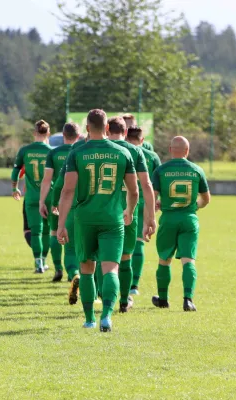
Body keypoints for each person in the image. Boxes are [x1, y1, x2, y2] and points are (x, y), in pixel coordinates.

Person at [57, 109, 139, 332]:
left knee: (87, 269)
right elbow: (134, 191)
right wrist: (129, 211)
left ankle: (89, 319)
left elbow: (67, 191)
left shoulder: (77, 153)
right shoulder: (123, 153)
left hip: (85, 219)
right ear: (106, 128)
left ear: (87, 129)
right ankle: (107, 317)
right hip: (113, 219)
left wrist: (61, 224)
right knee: (111, 269)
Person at [151, 136, 210, 312]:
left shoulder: (161, 170)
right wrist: (193, 207)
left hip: (168, 219)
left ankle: (163, 299)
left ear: (170, 150)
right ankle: (188, 299)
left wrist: (158, 207)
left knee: (164, 260)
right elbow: (206, 199)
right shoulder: (196, 170)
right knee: (188, 260)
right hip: (189, 219)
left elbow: (153, 198)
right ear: (188, 150)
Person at [107, 117, 157, 313]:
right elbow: (146, 185)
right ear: (125, 132)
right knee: (126, 256)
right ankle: (124, 299)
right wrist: (151, 216)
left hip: (104, 209)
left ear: (106, 129)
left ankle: (103, 295)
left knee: (104, 257)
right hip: (129, 208)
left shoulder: (100, 148)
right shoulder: (136, 151)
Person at [39, 122, 80, 281]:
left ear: (63, 135)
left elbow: (47, 180)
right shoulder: (81, 151)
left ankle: (58, 269)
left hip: (57, 199)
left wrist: (43, 201)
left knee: (55, 233)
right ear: (78, 136)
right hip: (78, 200)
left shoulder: (53, 153)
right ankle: (74, 271)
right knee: (77, 238)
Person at [11, 121, 52, 273]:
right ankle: (45, 261)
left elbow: (15, 171)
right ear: (48, 133)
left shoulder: (25, 150)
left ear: (34, 133)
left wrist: (15, 187)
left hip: (32, 197)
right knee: (47, 231)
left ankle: (38, 264)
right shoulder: (51, 151)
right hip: (49, 196)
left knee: (35, 232)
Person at [126, 126, 161, 295]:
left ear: (126, 137)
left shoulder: (121, 152)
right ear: (142, 140)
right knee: (139, 241)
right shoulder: (152, 157)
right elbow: (157, 183)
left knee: (119, 244)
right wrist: (156, 202)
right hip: (144, 203)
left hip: (122, 202)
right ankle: (134, 285)